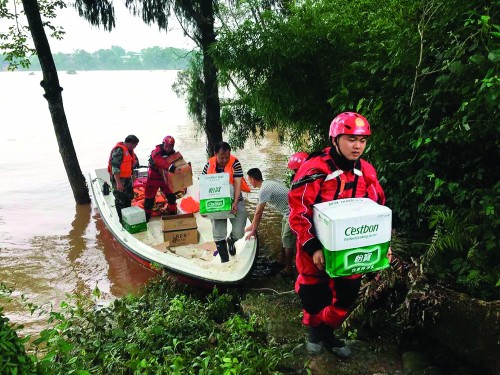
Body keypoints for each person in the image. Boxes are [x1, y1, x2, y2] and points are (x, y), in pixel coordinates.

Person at [288, 112, 387, 357]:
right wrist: (313, 247)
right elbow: (298, 211)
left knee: (346, 295)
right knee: (313, 294)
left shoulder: (367, 171)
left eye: (362, 141)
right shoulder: (315, 168)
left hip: (350, 247)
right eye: (351, 139)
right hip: (315, 245)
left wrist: (383, 245)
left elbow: (378, 210)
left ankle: (326, 332)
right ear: (335, 139)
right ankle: (315, 331)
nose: (358, 146)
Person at [202, 141, 250, 263]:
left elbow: (238, 183)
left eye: (227, 157)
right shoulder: (208, 165)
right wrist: (203, 208)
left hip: (235, 200)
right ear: (215, 154)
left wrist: (235, 203)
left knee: (240, 231)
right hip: (216, 204)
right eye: (221, 157)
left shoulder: (235, 163)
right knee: (218, 233)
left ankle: (232, 240)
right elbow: (204, 186)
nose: (224, 160)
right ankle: (225, 260)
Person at [245, 168, 296, 276]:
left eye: (249, 179)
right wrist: (252, 226)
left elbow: (259, 212)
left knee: (287, 239)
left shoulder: (264, 190)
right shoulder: (266, 184)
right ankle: (282, 260)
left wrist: (253, 230)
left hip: (293, 212)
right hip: (288, 212)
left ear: (253, 179)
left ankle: (288, 269)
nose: (249, 182)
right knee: (284, 237)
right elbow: (257, 211)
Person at [144, 135, 182, 222]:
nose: (168, 148)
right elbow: (159, 161)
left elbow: (179, 163)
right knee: (149, 198)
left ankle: (173, 213)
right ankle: (146, 217)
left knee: (171, 197)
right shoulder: (157, 152)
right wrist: (172, 168)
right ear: (163, 144)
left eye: (170, 146)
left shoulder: (173, 153)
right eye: (167, 146)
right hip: (154, 179)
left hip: (165, 179)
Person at [108, 134, 140, 224]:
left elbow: (132, 164)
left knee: (128, 198)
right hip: (119, 179)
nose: (135, 147)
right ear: (129, 143)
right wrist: (118, 183)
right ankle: (122, 221)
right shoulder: (119, 151)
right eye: (134, 145)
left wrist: (132, 175)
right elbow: (115, 168)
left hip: (127, 179)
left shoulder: (130, 151)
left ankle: (128, 218)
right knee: (120, 200)